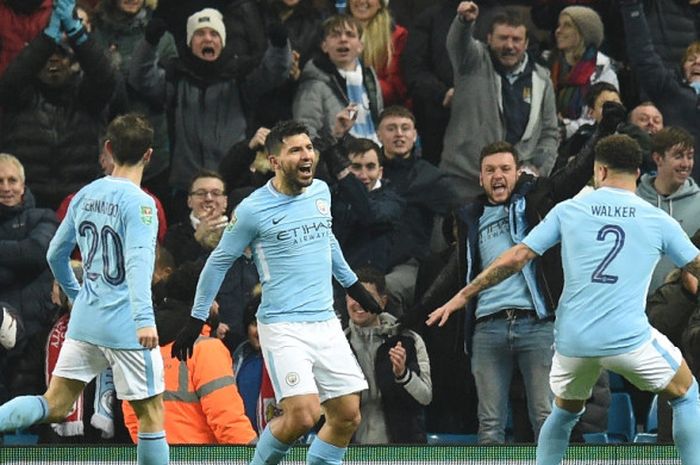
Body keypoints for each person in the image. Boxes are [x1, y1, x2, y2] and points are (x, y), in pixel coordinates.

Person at [427, 133, 700, 465]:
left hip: (573, 342)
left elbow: (516, 257)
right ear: (639, 173)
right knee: (686, 395)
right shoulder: (659, 219)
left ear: (599, 171)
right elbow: (695, 266)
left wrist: (462, 296)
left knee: (563, 412)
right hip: (628, 339)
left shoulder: (568, 210)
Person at [413, 101, 627, 444]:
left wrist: (604, 131)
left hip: (536, 325)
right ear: (480, 177)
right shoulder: (469, 217)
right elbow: (454, 270)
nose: (498, 176)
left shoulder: (539, 200)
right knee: (490, 425)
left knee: (545, 415)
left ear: (517, 173)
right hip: (486, 329)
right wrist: (415, 312)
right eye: (490, 170)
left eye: (505, 169)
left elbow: (574, 173)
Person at [171, 120, 383, 465]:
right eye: (295, 150)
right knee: (302, 415)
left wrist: (353, 285)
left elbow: (326, 240)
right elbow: (218, 261)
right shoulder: (253, 209)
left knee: (347, 415)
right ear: (274, 161)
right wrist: (197, 317)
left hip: (326, 321)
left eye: (309, 148)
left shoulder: (320, 192)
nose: (306, 156)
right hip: (282, 325)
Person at [0, 114, 168, 465]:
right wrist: (145, 319)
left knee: (55, 403)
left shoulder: (85, 194)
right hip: (127, 326)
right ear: (149, 155)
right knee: (151, 414)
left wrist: (77, 296)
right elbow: (138, 263)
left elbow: (54, 255)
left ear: (108, 148)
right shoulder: (142, 204)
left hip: (87, 322)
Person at [123, 260, 257, 445]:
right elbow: (228, 421)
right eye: (213, 299)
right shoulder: (206, 350)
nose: (217, 306)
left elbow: (132, 418)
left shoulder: (139, 349)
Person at [0, 0, 117, 210]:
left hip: (80, 201)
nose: (53, 62)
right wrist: (46, 38)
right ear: (35, 63)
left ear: (72, 62)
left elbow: (106, 77)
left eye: (60, 56)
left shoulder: (86, 97)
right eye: (47, 57)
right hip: (27, 204)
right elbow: (11, 80)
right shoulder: (21, 96)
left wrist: (78, 34)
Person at [440, 2, 559, 201]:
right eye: (503, 38)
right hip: (464, 181)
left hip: (515, 188)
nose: (510, 46)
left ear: (526, 43)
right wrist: (464, 22)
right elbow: (458, 43)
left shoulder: (541, 79)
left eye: (516, 39)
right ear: (489, 38)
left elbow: (549, 132)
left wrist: (537, 169)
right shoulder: (473, 61)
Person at [344, 267, 432, 444]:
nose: (358, 302)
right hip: (349, 453)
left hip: (401, 453)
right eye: (353, 296)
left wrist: (403, 374)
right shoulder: (336, 347)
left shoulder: (409, 341)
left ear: (383, 302)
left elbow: (425, 397)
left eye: (366, 296)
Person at [619, 0, 700, 183]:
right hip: (673, 194)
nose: (697, 62)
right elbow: (644, 56)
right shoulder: (670, 91)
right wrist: (632, 8)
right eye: (691, 59)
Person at [0, 153, 58, 405]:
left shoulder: (44, 217)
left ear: (23, 185)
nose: (6, 187)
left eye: (12, 180)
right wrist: (18, 256)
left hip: (38, 333)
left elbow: (36, 252)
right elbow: (26, 255)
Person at [293, 14, 383, 143]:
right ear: (324, 46)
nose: (343, 39)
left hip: (376, 155)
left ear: (360, 46)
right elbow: (305, 135)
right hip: (338, 159)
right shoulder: (313, 83)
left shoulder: (370, 78)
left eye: (350, 35)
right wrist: (335, 138)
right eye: (335, 35)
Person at [637, 126, 700, 293]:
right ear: (658, 158)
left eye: (690, 157)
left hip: (684, 310)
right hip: (636, 307)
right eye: (678, 156)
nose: (686, 164)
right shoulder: (636, 201)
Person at [549, 5, 619, 141]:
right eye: (559, 25)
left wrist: (565, 128)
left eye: (567, 25)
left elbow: (604, 119)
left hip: (586, 143)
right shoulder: (549, 66)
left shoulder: (604, 72)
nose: (558, 31)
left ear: (584, 32)